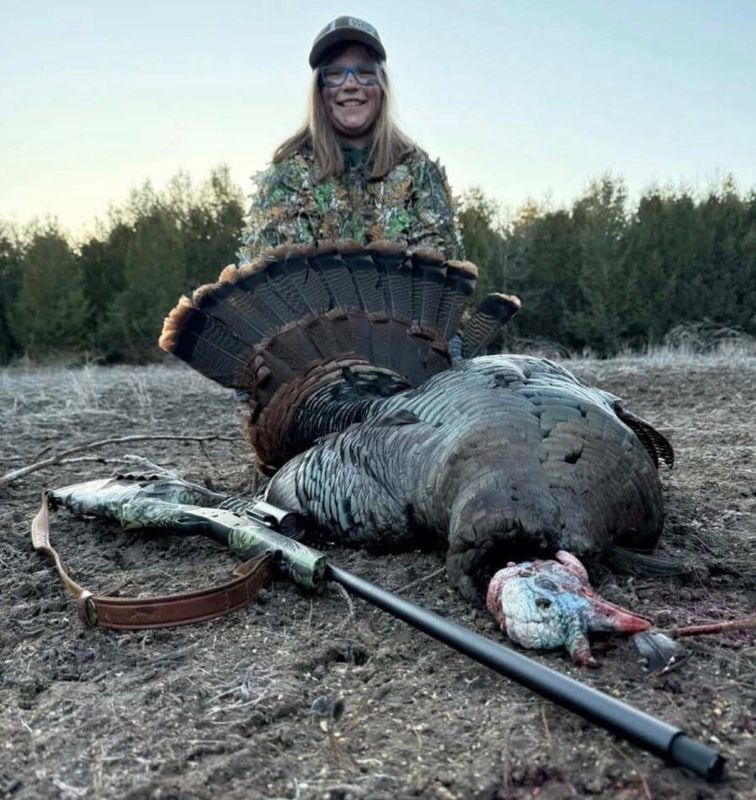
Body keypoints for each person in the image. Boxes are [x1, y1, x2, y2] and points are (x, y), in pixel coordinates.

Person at [238, 16, 464, 264]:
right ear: (320, 90)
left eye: (365, 73)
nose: (351, 85)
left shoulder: (420, 174)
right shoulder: (287, 177)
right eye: (335, 74)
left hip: (399, 304)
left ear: (382, 86)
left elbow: (441, 279)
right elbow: (270, 286)